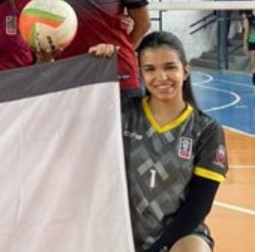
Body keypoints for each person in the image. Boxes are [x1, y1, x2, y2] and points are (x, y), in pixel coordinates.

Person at [89, 31, 227, 252]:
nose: (161, 77)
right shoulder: (122, 114)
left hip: (179, 235)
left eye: (170, 67)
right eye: (150, 69)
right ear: (140, 73)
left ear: (186, 70)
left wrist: (157, 249)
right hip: (119, 230)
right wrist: (95, 66)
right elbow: (74, 114)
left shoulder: (206, 130)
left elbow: (198, 208)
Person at [241, 9, 255, 84]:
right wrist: (245, 45)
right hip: (253, 43)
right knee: (254, 65)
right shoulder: (249, 18)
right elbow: (246, 32)